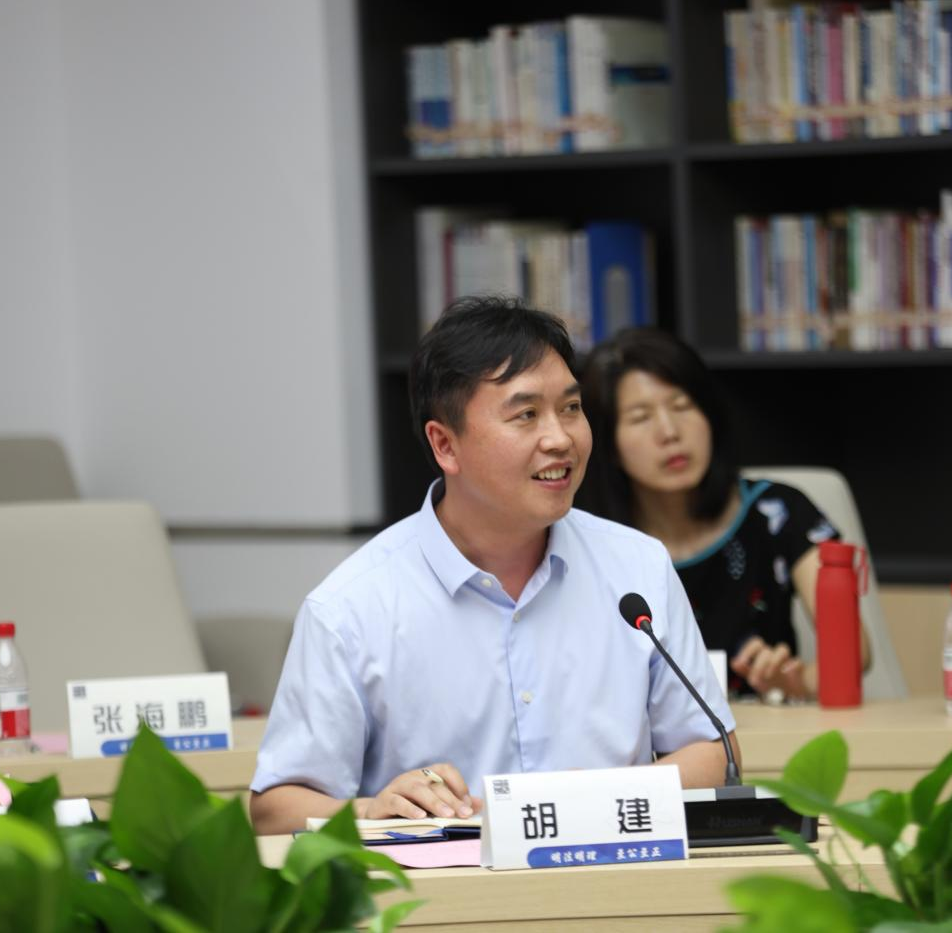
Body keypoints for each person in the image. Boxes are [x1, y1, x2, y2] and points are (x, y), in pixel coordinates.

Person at [249, 297, 739, 835]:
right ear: (445, 445)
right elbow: (275, 809)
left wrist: (597, 797)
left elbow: (713, 749)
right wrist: (374, 809)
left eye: (571, 408)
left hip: (615, 873)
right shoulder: (351, 607)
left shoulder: (636, 568)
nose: (560, 438)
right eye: (526, 415)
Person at [578, 327, 868, 704]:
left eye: (682, 406)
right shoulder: (587, 544)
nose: (669, 432)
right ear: (607, 443)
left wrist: (795, 683)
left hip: (768, 733)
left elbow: (854, 654)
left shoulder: (778, 511)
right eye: (640, 417)